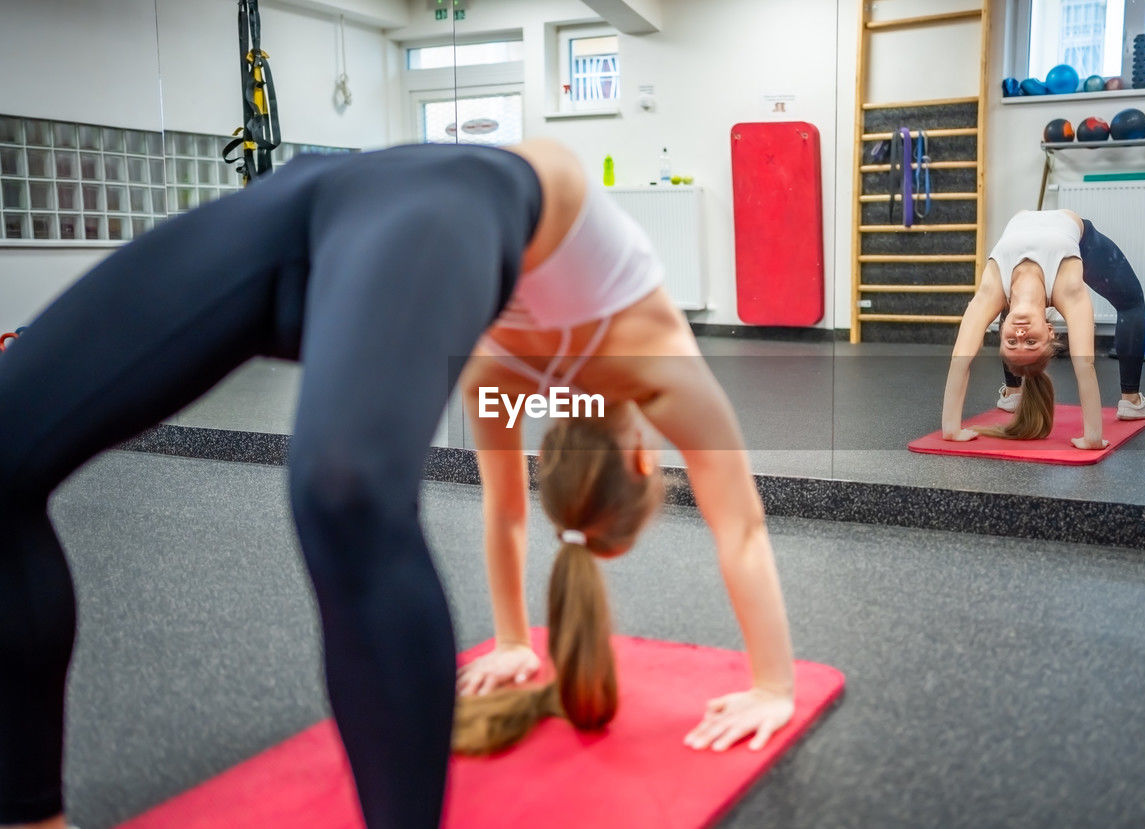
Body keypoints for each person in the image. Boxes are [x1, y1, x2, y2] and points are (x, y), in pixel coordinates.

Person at [0, 138, 793, 829]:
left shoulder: (514, 376)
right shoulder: (653, 357)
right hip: (414, 200)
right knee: (342, 487)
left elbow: (509, 512)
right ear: (646, 458)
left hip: (328, 201)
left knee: (344, 491)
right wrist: (771, 685)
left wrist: (519, 640)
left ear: (642, 459)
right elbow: (739, 527)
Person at [449, 156, 796, 756]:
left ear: (642, 459)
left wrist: (775, 686)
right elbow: (506, 511)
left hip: (492, 191)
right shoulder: (497, 382)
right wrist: (508, 638)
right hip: (435, 230)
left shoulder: (661, 373)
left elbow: (743, 530)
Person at [941, 209, 1145, 447]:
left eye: (1012, 341)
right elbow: (1084, 364)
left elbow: (960, 359)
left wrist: (951, 429)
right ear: (1050, 330)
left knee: (1011, 307)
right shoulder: (1068, 290)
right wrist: (1093, 437)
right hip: (1080, 237)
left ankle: (1013, 393)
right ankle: (1131, 401)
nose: (1020, 333)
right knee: (1131, 302)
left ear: (1000, 331)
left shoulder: (991, 292)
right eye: (1031, 342)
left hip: (1021, 235)